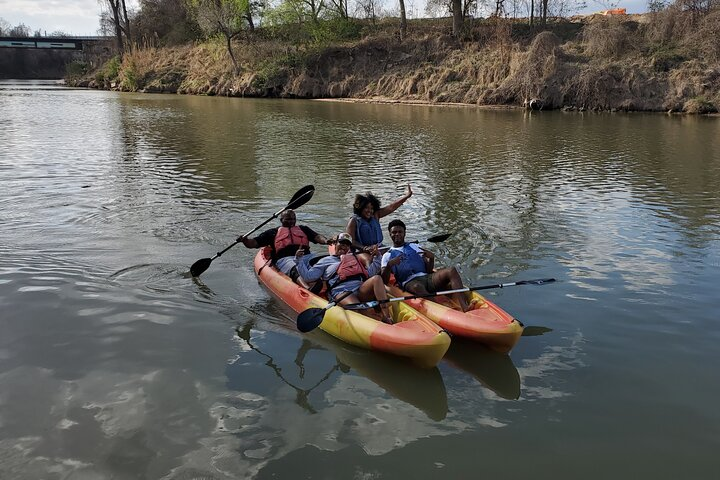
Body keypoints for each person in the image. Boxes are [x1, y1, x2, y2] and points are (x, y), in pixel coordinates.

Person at [295, 232, 394, 324]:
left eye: (347, 245)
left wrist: (377, 256)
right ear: (335, 244)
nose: (344, 246)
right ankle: (371, 320)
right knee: (356, 307)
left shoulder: (354, 258)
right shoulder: (325, 261)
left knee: (376, 278)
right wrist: (299, 260)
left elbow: (369, 274)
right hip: (341, 291)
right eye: (341, 243)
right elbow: (308, 277)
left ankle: (387, 316)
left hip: (360, 289)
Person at [381, 219, 471, 312]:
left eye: (400, 232)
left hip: (427, 278)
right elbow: (384, 280)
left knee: (451, 270)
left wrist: (431, 258)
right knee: (417, 286)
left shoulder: (414, 247)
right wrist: (389, 266)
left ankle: (464, 306)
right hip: (409, 283)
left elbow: (428, 270)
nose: (397, 234)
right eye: (394, 232)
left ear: (404, 233)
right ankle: (441, 310)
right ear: (390, 234)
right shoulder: (387, 255)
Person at [240, 208, 328, 282]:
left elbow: (317, 237)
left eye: (293, 219)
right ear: (281, 220)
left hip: (306, 256)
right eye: (288, 219)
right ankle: (306, 289)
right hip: (285, 259)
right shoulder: (272, 233)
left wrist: (326, 241)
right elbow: (253, 243)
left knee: (324, 262)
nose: (291, 221)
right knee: (295, 268)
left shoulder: (303, 229)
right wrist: (245, 240)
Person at [345, 185, 413, 262]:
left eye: (371, 208)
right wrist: (364, 248)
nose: (369, 211)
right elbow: (350, 241)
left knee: (398, 255)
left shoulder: (376, 215)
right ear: (360, 208)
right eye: (366, 208)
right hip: (361, 250)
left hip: (379, 247)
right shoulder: (354, 221)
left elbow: (392, 207)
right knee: (369, 261)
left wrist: (407, 196)